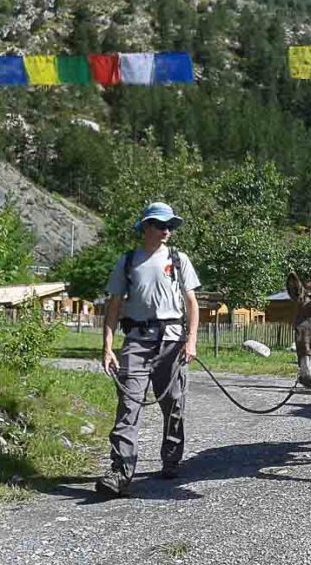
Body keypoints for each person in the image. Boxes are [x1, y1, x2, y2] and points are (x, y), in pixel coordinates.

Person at [96, 202, 201, 497]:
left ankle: (171, 459)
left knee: (173, 403)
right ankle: (120, 472)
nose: (167, 230)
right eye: (161, 225)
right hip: (136, 342)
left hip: (172, 341)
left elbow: (191, 303)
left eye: (170, 226)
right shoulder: (128, 261)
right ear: (146, 227)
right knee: (128, 405)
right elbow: (113, 307)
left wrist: (191, 340)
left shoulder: (179, 260)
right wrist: (107, 348)